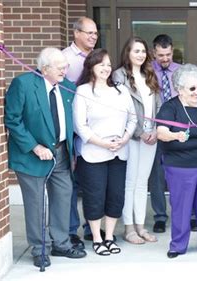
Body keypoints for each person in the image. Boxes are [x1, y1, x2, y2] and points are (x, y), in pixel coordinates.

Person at [4, 47, 87, 268]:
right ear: (44, 68)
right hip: (32, 156)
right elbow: (12, 120)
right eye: (60, 67)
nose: (65, 70)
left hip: (60, 153)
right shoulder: (23, 84)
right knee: (36, 203)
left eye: (65, 66)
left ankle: (61, 242)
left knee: (63, 197)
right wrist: (34, 146)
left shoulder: (68, 88)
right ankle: (40, 248)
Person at [73, 49, 137, 255]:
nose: (106, 68)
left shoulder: (121, 90)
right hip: (93, 154)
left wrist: (125, 138)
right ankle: (97, 238)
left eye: (109, 64)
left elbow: (133, 118)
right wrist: (102, 143)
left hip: (119, 152)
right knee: (95, 197)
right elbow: (80, 126)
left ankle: (109, 237)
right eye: (101, 64)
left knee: (115, 196)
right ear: (91, 66)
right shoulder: (83, 91)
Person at [156, 63, 197, 258]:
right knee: (182, 207)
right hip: (180, 165)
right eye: (192, 88)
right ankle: (177, 245)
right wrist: (176, 136)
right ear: (179, 89)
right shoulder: (171, 107)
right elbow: (161, 132)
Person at [113, 37, 161, 244]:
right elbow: (121, 109)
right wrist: (140, 131)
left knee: (142, 183)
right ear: (128, 53)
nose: (141, 55)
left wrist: (157, 130)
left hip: (152, 137)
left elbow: (159, 105)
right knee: (130, 182)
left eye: (143, 51)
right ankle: (129, 228)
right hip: (132, 136)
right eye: (136, 51)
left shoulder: (150, 75)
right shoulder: (119, 76)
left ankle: (141, 226)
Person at [62, 16, 99, 249]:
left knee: (91, 182)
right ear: (76, 33)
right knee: (70, 183)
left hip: (94, 130)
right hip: (71, 129)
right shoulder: (64, 59)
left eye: (95, 33)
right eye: (89, 33)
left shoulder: (98, 59)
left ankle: (91, 227)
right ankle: (71, 230)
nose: (93, 37)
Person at [148, 34, 181, 234]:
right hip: (155, 129)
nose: (165, 59)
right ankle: (160, 216)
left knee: (181, 175)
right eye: (161, 55)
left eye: (168, 54)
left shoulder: (180, 71)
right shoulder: (148, 71)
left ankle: (187, 214)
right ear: (154, 53)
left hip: (177, 131)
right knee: (157, 178)